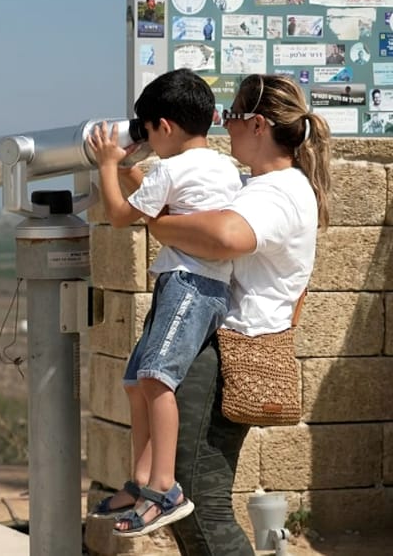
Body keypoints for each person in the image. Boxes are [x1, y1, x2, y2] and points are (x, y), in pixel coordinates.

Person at [148, 73, 332, 554]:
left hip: (232, 351)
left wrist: (157, 221)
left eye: (228, 117)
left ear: (256, 124)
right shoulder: (269, 184)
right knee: (193, 502)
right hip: (226, 346)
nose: (221, 128)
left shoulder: (279, 192)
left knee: (196, 502)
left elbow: (228, 235)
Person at [85, 68, 242, 538]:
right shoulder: (221, 167)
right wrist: (133, 169)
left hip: (188, 284)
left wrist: (107, 165)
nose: (148, 139)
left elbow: (118, 216)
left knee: (155, 379)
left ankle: (164, 487)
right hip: (197, 286)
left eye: (148, 130)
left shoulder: (172, 169)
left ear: (164, 127)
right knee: (137, 381)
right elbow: (162, 203)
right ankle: (139, 483)